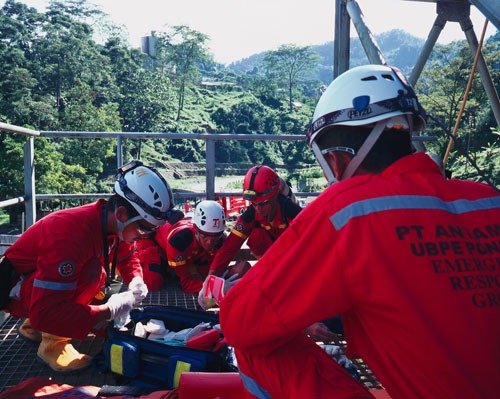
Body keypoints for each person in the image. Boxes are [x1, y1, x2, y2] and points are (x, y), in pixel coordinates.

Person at [219, 65, 500, 398]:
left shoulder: (349, 210)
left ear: (336, 159)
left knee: (253, 347)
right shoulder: (489, 200)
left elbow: (239, 319)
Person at [0, 160, 177, 373]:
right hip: (13, 294)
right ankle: (52, 345)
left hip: (35, 287)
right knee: (93, 274)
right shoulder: (71, 235)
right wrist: (108, 311)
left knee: (95, 277)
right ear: (121, 213)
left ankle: (32, 329)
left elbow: (127, 258)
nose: (145, 236)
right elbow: (46, 312)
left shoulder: (111, 224)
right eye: (144, 229)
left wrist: (135, 280)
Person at [142, 200, 227, 294]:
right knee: (153, 282)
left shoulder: (221, 240)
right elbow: (184, 284)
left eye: (215, 237)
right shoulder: (179, 240)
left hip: (188, 251)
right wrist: (216, 288)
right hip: (155, 243)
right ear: (195, 229)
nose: (210, 242)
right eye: (205, 236)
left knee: (206, 270)